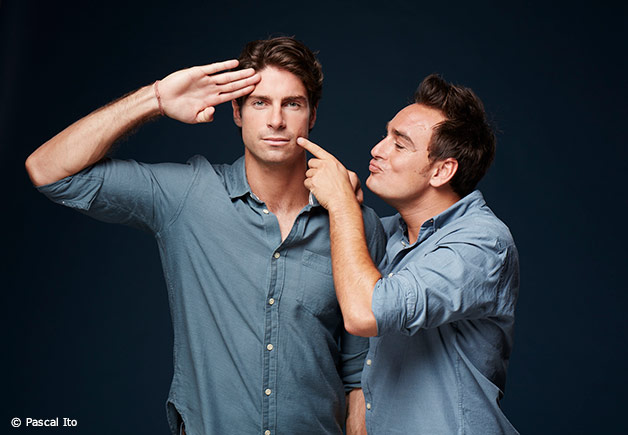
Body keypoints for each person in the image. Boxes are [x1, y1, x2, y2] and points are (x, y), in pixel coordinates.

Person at [25, 36, 385, 435]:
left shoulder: (354, 222)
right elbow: (48, 171)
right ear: (237, 111)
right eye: (260, 103)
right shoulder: (189, 196)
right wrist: (155, 98)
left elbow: (359, 370)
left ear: (312, 114)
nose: (276, 120)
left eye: (292, 104)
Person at [297, 74, 520, 434]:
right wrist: (352, 215)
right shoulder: (387, 235)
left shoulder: (482, 243)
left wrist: (341, 206)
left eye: (399, 145)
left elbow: (366, 313)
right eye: (386, 135)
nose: (377, 149)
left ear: (442, 171)